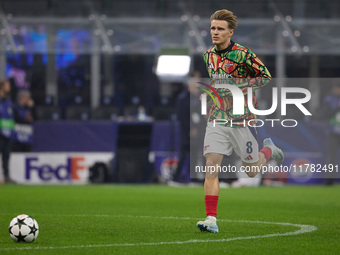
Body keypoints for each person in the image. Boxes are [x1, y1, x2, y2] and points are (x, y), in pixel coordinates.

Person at [196, 9, 284, 233]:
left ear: (230, 32)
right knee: (211, 167)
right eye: (213, 28)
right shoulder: (208, 55)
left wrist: (239, 87)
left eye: (220, 29)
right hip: (217, 119)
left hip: (242, 120)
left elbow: (265, 77)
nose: (215, 32)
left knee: (252, 170)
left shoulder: (244, 54)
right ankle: (211, 219)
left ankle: (268, 151)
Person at [323, 82, 340, 185]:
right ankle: (329, 181)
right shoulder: (329, 100)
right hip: (333, 132)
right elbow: (326, 115)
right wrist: (337, 107)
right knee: (331, 157)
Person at [0, 79, 15, 183]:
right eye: (7, 85)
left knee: (6, 155)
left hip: (8, 132)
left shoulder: (9, 101)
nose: (9, 87)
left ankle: (6, 176)